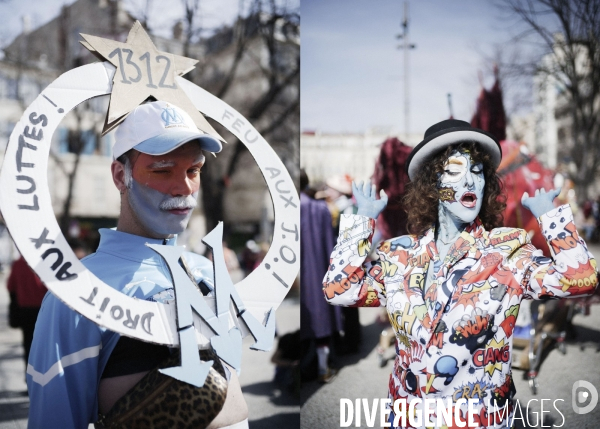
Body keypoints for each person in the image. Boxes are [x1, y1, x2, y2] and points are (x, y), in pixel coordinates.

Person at [323, 119, 598, 428]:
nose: (469, 180)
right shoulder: (397, 255)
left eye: (477, 172)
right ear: (432, 185)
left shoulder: (507, 251)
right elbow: (339, 290)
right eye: (455, 171)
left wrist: (553, 217)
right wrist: (361, 223)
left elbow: (580, 280)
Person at [27, 101, 249, 429]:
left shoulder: (207, 273)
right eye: (163, 170)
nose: (185, 188)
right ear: (121, 175)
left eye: (194, 170)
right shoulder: (74, 295)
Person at [300, 169, 342, 382]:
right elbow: (330, 244)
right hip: (320, 271)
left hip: (299, 276)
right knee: (321, 322)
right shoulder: (321, 209)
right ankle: (322, 368)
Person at [6, 255, 48, 370]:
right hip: (43, 310)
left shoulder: (18, 263)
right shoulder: (45, 262)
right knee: (45, 344)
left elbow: (10, 286)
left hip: (24, 310)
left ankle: (29, 375)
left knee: (28, 343)